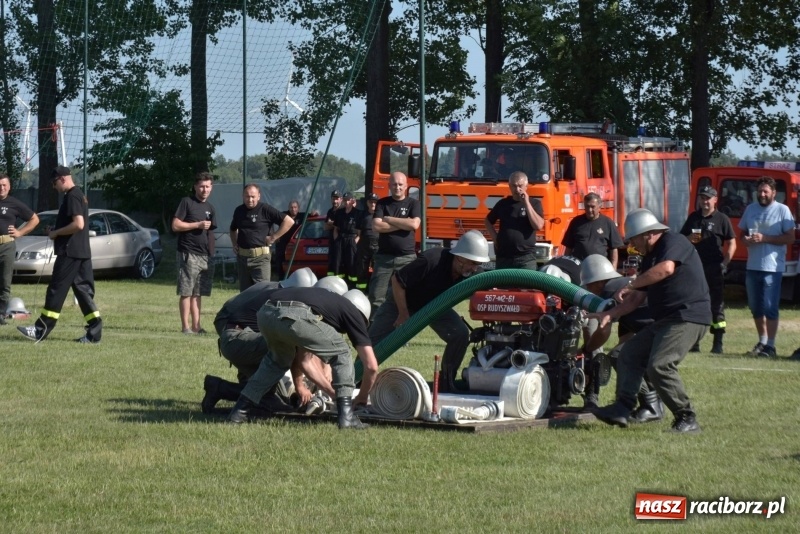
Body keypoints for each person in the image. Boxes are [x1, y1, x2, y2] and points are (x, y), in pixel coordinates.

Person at [593, 209, 710, 433]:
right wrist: (611, 313)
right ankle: (622, 408)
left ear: (648, 233)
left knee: (660, 365)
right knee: (625, 354)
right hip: (666, 320)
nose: (633, 244)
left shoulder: (673, 241)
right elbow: (638, 297)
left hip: (687, 317)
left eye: (634, 238)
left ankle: (686, 417)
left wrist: (631, 283)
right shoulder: (650, 258)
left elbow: (666, 269)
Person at [227, 286, 379, 429]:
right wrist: (362, 398)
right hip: (294, 314)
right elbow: (371, 366)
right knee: (342, 352)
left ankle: (240, 411)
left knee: (276, 362)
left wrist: (333, 394)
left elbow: (304, 361)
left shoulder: (325, 307)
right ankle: (346, 417)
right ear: (362, 316)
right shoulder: (353, 313)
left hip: (266, 313)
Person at [369, 230, 490, 392]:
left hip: (434, 305)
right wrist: (403, 314)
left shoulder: (472, 272)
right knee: (373, 343)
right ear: (459, 257)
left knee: (459, 334)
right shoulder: (431, 260)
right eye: (472, 263)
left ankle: (447, 382)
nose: (475, 268)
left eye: (478, 264)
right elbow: (398, 281)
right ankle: (357, 378)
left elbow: (489, 284)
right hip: (403, 300)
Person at [202, 268, 319, 414]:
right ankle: (221, 388)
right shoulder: (280, 300)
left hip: (241, 330)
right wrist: (300, 385)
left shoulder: (270, 287)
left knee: (266, 393)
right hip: (235, 331)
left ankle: (220, 388)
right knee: (281, 352)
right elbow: (291, 342)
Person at [17, 166, 103, 343]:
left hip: (70, 252)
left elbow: (78, 224)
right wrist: (56, 230)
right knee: (83, 293)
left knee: (56, 290)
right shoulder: (79, 195)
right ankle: (95, 333)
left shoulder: (72, 195)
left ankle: (40, 330)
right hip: (81, 251)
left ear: (62, 179)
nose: (53, 186)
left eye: (54, 182)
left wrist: (56, 234)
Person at [580, 254, 662, 422]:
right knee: (627, 355)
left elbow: (603, 331)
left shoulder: (608, 292)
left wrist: (586, 349)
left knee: (620, 356)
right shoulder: (619, 285)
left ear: (597, 282)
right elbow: (627, 334)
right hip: (662, 327)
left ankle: (650, 405)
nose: (588, 290)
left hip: (659, 329)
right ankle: (653, 405)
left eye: (588, 285)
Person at [738, 176, 796, 358]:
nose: (762, 194)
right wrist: (745, 240)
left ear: (773, 193)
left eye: (766, 191)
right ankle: (762, 342)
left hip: (772, 267)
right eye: (760, 191)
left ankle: (771, 346)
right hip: (752, 266)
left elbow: (790, 237)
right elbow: (741, 233)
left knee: (770, 307)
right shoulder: (750, 209)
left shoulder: (782, 210)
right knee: (755, 307)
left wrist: (766, 239)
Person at [679, 185, 736, 353]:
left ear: (715, 200)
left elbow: (732, 241)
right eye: (702, 197)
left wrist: (725, 262)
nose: (704, 201)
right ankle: (694, 343)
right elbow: (681, 240)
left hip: (714, 268)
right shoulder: (693, 218)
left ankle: (718, 343)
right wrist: (689, 238)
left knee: (716, 305)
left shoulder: (722, 219)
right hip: (694, 268)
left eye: (708, 198)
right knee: (694, 305)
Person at [370, 172, 421, 317]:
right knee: (376, 297)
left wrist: (388, 218)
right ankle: (376, 332)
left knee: (406, 297)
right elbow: (376, 227)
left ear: (406, 186)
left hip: (406, 258)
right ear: (389, 186)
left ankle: (403, 333)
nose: (397, 187)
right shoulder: (382, 203)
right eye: (394, 184)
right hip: (383, 259)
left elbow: (414, 224)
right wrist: (404, 223)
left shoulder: (413, 203)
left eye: (400, 184)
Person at [172, 172, 216, 335]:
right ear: (195, 187)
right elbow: (175, 225)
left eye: (208, 186)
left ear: (211, 188)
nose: (205, 189)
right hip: (188, 253)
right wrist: (196, 224)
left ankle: (197, 326)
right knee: (186, 291)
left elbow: (210, 232)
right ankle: (186, 327)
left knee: (198, 293)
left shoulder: (210, 208)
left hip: (205, 255)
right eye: (202, 186)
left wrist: (211, 253)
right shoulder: (187, 202)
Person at [229, 183, 293, 291]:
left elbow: (289, 221)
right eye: (247, 196)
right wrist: (234, 244)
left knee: (262, 293)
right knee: (244, 295)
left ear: (259, 196)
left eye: (253, 197)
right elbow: (232, 229)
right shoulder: (238, 211)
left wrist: (273, 237)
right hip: (243, 258)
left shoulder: (265, 209)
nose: (250, 199)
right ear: (243, 196)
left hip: (261, 259)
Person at [0, 172, 39, 325]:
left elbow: (35, 219)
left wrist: (20, 232)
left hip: (7, 246)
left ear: (9, 187)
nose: (1, 188)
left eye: (4, 185)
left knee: (4, 280)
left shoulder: (14, 203)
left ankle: (1, 313)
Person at [484, 171, 545, 269]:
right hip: (504, 257)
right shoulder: (503, 204)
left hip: (526, 258)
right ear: (509, 186)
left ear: (526, 186)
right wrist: (495, 238)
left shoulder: (534, 204)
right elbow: (487, 221)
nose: (517, 189)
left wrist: (526, 203)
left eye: (520, 186)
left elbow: (538, 225)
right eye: (513, 186)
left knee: (526, 284)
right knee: (502, 284)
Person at [561, 192, 624, 268]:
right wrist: (565, 266)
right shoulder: (576, 222)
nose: (589, 210)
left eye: (592, 207)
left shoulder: (608, 223)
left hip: (600, 267)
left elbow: (614, 249)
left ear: (600, 206)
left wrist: (613, 269)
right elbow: (568, 248)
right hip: (579, 267)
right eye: (587, 206)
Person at [275, 199, 318, 279]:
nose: (293, 209)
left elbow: (314, 215)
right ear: (288, 208)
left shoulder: (302, 216)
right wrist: (275, 235)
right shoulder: (284, 215)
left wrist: (314, 213)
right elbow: (272, 219)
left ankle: (295, 278)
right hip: (283, 241)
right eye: (291, 207)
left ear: (298, 208)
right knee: (280, 261)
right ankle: (281, 278)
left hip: (295, 243)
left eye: (295, 207)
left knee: (294, 262)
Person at [332, 192, 362, 287]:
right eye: (345, 200)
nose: (346, 202)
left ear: (352, 200)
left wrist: (355, 241)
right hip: (340, 239)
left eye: (348, 200)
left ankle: (352, 285)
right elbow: (335, 228)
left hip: (351, 239)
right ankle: (338, 285)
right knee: (338, 262)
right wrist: (336, 240)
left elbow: (360, 231)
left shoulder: (357, 213)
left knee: (351, 263)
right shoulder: (339, 212)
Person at [354, 192, 379, 292]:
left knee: (377, 270)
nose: (373, 204)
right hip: (364, 245)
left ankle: (375, 290)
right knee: (362, 269)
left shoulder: (381, 214)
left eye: (375, 202)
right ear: (367, 203)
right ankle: (361, 291)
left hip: (378, 245)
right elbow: (359, 233)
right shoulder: (362, 215)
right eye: (371, 202)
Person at [325, 190, 343, 277]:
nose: (335, 201)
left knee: (339, 264)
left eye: (337, 199)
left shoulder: (343, 211)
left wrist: (332, 223)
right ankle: (330, 281)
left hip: (341, 242)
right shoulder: (330, 211)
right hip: (331, 241)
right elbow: (325, 227)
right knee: (331, 264)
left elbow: (342, 226)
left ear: (341, 199)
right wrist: (334, 224)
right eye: (333, 198)